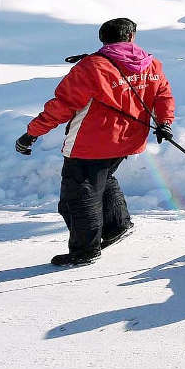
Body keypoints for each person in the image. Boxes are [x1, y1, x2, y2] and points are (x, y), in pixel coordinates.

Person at [13, 18, 175, 267]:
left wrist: (32, 133)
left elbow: (62, 106)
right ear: (132, 37)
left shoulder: (91, 67)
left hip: (91, 142)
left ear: (102, 39)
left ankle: (85, 250)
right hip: (128, 140)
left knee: (78, 195)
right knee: (104, 177)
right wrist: (165, 122)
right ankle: (116, 226)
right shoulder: (151, 63)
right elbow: (163, 94)